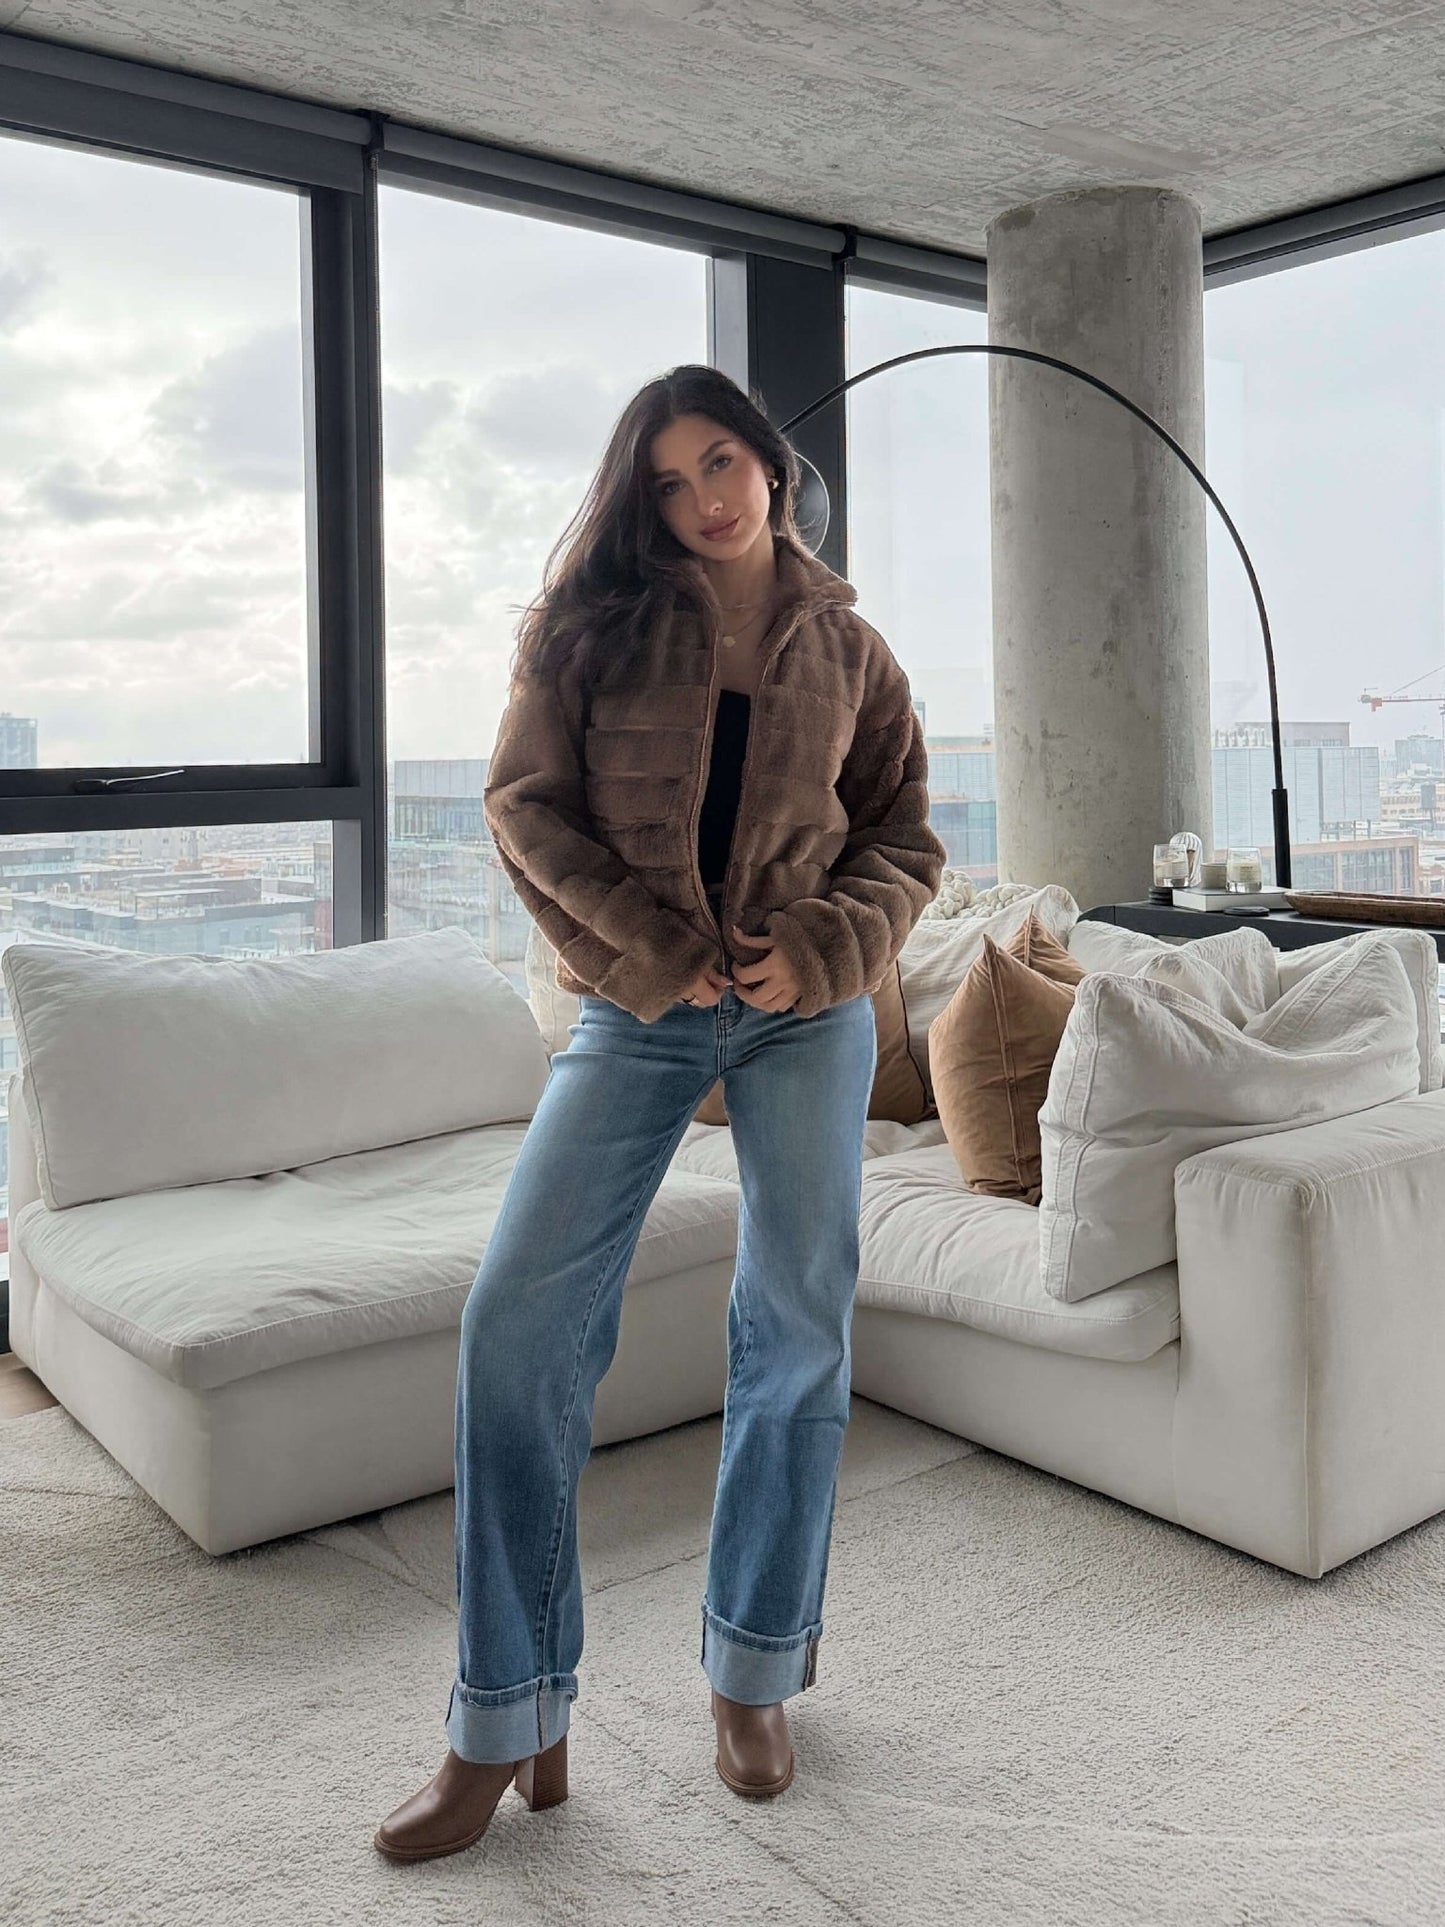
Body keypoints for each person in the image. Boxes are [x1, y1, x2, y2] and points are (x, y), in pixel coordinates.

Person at [374, 363, 946, 1862]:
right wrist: (649, 949)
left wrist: (820, 947)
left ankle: (754, 1672)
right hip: (637, 1014)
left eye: (724, 463)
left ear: (770, 464)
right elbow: (522, 807)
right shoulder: (589, 628)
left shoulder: (853, 648)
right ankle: (506, 1717)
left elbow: (901, 836)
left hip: (805, 1018)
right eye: (670, 478)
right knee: (516, 1328)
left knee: (796, 1326)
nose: (705, 497)